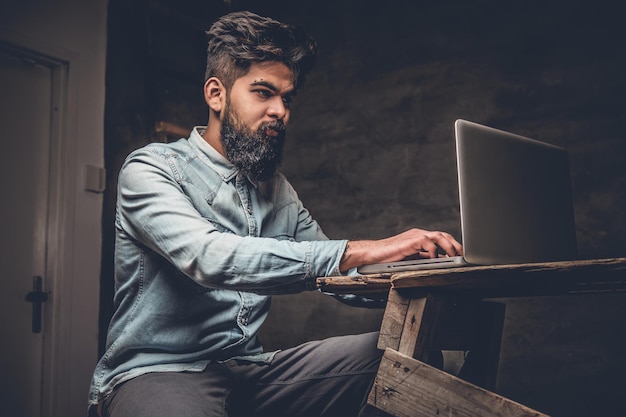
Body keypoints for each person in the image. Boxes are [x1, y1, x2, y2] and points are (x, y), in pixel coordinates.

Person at [89, 10, 463, 417]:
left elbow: (337, 274)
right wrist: (363, 249)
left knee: (401, 362)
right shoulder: (150, 169)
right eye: (263, 92)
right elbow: (210, 258)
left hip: (250, 370)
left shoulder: (276, 190)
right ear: (216, 94)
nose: (279, 111)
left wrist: (414, 266)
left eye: (286, 98)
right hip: (158, 372)